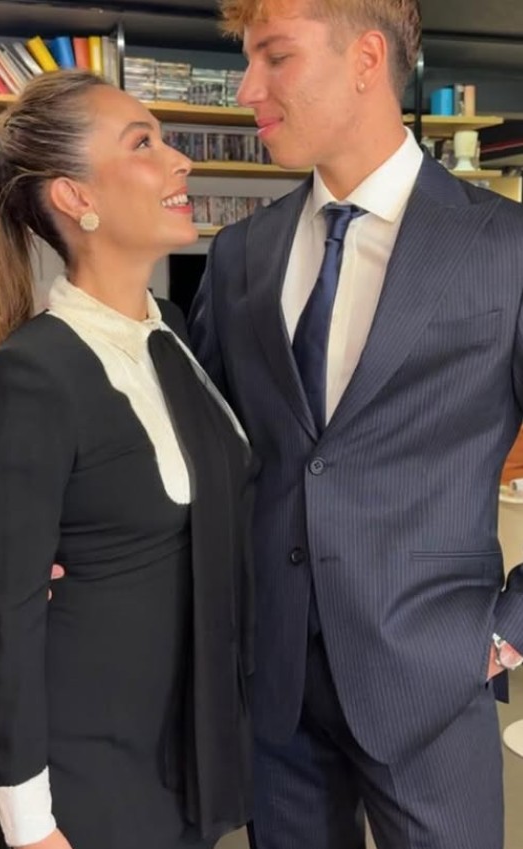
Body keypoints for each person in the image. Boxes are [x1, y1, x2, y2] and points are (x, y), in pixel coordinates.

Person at [188, 1, 523, 848]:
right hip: (273, 690)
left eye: (274, 58)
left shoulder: (505, 246)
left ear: (366, 58)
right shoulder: (239, 255)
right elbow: (205, 452)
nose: (246, 89)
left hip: (431, 679)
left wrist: (508, 630)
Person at [0, 69, 254, 849]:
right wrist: (30, 824)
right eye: (142, 144)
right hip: (97, 777)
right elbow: (11, 611)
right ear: (74, 196)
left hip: (186, 753)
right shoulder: (34, 372)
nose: (180, 160)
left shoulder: (173, 331)